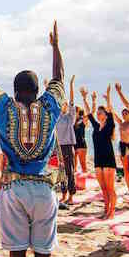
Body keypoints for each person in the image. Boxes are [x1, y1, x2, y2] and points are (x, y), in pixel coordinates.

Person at [0, 21, 64, 257]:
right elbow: (59, 77)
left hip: (14, 188)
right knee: (44, 252)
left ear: (15, 91)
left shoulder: (5, 109)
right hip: (44, 187)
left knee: (16, 252)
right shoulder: (50, 107)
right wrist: (55, 47)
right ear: (38, 90)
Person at [81, 85, 117, 219]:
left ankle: (111, 212)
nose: (98, 114)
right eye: (98, 113)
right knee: (103, 188)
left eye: (101, 113)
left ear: (106, 115)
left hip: (108, 159)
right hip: (98, 160)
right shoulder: (96, 127)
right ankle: (106, 209)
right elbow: (89, 114)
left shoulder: (110, 124)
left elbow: (111, 112)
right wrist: (85, 98)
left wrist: (108, 97)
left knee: (110, 188)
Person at [113, 84, 129, 195]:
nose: (123, 115)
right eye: (122, 114)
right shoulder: (121, 123)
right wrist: (109, 99)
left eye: (125, 113)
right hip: (123, 146)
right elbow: (113, 113)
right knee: (126, 169)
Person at [54, 75, 77, 204]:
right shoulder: (57, 117)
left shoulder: (70, 117)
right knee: (61, 171)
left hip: (68, 146)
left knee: (69, 171)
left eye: (66, 104)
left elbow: (72, 101)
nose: (65, 106)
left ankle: (71, 196)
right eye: (63, 104)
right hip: (59, 147)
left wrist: (71, 85)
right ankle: (63, 194)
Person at [74, 107, 88, 174]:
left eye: (76, 110)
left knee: (83, 164)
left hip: (81, 143)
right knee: (74, 165)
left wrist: (93, 101)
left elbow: (90, 113)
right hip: (73, 143)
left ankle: (86, 181)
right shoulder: (73, 120)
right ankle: (75, 182)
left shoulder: (82, 120)